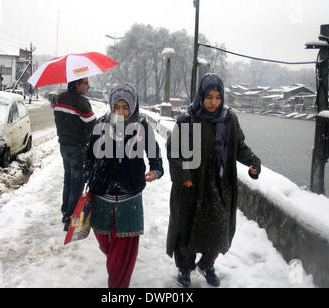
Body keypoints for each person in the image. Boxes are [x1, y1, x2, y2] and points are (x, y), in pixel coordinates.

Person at [166, 73, 261, 288]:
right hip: (190, 187)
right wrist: (183, 175)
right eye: (209, 97)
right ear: (201, 95)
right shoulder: (187, 120)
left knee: (218, 231)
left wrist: (252, 161)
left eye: (218, 97)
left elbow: (240, 147)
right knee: (186, 231)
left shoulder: (229, 120)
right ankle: (185, 269)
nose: (213, 102)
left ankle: (207, 264)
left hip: (219, 186)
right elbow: (174, 151)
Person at [83, 83, 164, 288]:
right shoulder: (100, 125)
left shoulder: (142, 127)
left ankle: (118, 285)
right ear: (111, 105)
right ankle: (117, 266)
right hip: (102, 195)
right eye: (117, 107)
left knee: (125, 250)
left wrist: (155, 171)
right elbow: (88, 158)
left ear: (133, 106)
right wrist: (89, 177)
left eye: (125, 107)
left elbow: (155, 156)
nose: (120, 112)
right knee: (105, 241)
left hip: (130, 197)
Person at [53, 78, 96, 231]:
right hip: (78, 148)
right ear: (77, 84)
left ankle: (65, 211)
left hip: (64, 146)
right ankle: (72, 218)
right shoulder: (81, 102)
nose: (88, 86)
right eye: (85, 83)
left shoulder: (60, 99)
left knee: (68, 180)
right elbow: (93, 125)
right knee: (77, 183)